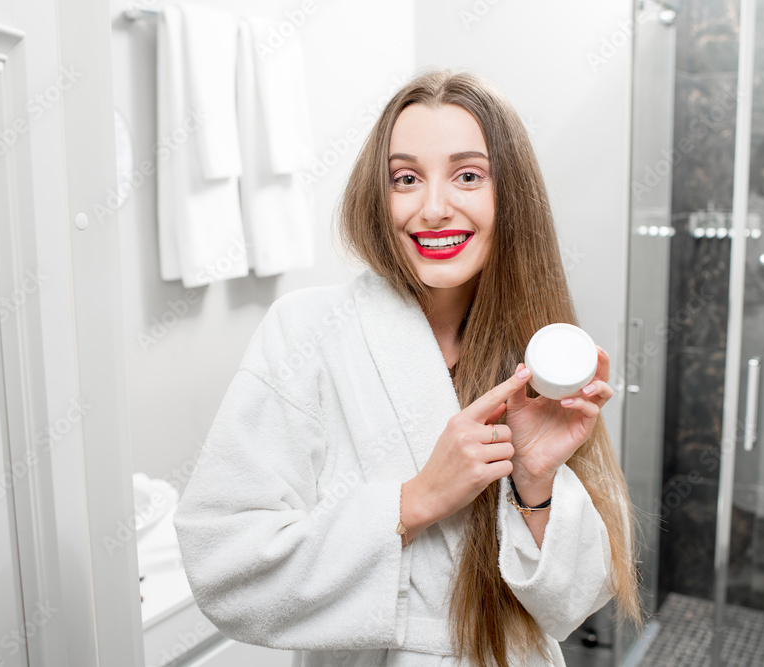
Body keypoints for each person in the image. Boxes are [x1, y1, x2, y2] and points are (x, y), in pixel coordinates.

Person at [172, 69, 641, 667]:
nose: (434, 208)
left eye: (468, 175)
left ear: (511, 196)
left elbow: (570, 605)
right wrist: (415, 500)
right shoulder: (306, 331)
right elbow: (224, 567)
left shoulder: (541, 352)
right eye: (406, 179)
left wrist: (537, 482)